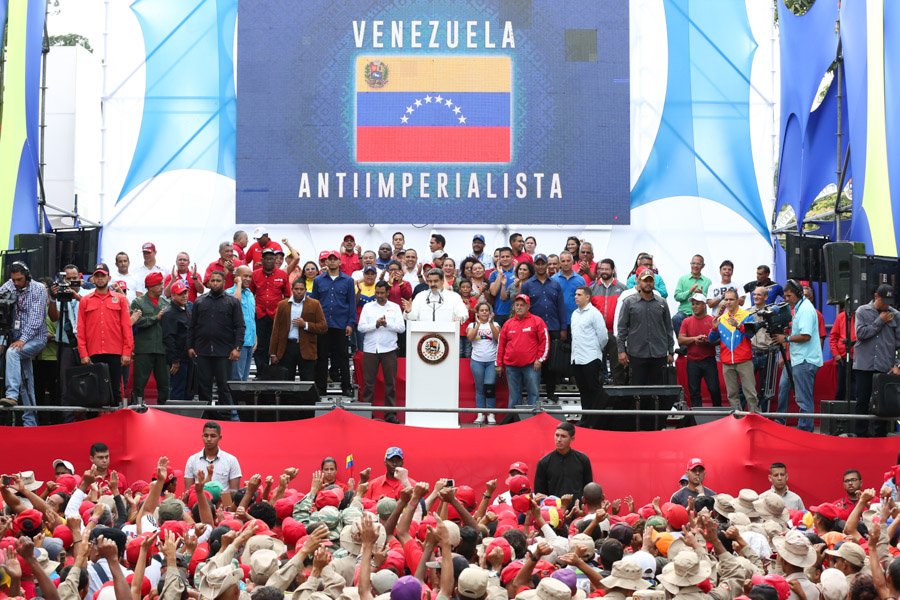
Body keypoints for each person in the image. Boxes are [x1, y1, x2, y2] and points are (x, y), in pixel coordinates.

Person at [75, 263, 134, 408]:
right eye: (97, 276)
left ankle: (115, 426)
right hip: (93, 352)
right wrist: (83, 353)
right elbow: (80, 328)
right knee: (94, 392)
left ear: (109, 277)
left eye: (103, 275)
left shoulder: (120, 299)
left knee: (115, 390)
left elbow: (126, 327)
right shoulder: (85, 300)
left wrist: (127, 351)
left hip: (115, 352)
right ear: (93, 279)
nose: (100, 279)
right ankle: (95, 427)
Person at [188, 271, 244, 421]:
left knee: (224, 387)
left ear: (224, 282)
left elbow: (240, 326)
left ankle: (226, 417)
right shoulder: (200, 301)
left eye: (218, 280)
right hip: (203, 351)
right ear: (208, 283)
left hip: (224, 352)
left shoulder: (232, 302)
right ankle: (205, 417)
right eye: (212, 280)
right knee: (203, 387)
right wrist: (190, 346)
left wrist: (237, 348)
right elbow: (192, 326)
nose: (215, 283)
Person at [0, 262, 49, 426]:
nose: (16, 283)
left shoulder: (39, 289)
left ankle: (11, 395)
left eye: (19, 279)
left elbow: (36, 320)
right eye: (13, 280)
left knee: (12, 353)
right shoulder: (9, 286)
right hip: (16, 338)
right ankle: (30, 422)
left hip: (35, 338)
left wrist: (22, 340)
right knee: (27, 381)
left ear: (27, 276)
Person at [772, 280, 823, 432]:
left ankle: (805, 430)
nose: (786, 299)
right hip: (797, 359)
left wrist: (785, 339)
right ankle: (797, 426)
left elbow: (806, 336)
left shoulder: (806, 310)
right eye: (785, 296)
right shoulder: (800, 308)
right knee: (793, 393)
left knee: (803, 398)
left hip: (804, 360)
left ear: (798, 294)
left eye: (789, 296)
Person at [853, 284, 900, 437]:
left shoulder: (896, 315)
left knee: (884, 403)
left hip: (885, 366)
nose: (887, 304)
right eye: (884, 300)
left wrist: (897, 364)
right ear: (876, 297)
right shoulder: (862, 311)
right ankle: (861, 435)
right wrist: (880, 321)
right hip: (864, 365)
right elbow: (861, 334)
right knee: (862, 401)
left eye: (889, 301)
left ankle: (880, 436)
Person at [358, 281, 405, 423]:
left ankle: (390, 414)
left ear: (388, 292)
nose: (379, 296)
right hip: (371, 348)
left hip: (389, 348)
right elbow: (360, 327)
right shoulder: (367, 307)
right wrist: (375, 324)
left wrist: (387, 324)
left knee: (390, 383)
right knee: (368, 383)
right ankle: (367, 414)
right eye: (377, 293)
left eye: (382, 293)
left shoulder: (395, 307)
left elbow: (401, 328)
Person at [617, 267, 674, 385]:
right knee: (637, 388)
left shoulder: (662, 302)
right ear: (638, 281)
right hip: (637, 352)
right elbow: (622, 328)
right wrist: (621, 351)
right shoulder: (629, 302)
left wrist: (671, 351)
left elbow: (668, 327)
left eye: (650, 280)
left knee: (658, 388)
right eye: (645, 280)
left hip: (659, 352)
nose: (648, 283)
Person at [523, 254, 567, 402]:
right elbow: (523, 308)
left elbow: (561, 307)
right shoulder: (527, 285)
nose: (541, 266)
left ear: (547, 265)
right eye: (538, 264)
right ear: (534, 265)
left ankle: (550, 392)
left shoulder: (555, 284)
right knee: (535, 361)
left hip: (553, 327)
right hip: (534, 330)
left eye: (543, 264)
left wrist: (563, 328)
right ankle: (534, 394)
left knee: (552, 363)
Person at [312, 249, 356, 397]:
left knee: (343, 358)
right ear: (326, 262)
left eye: (334, 259)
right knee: (322, 358)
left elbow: (351, 303)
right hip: (323, 325)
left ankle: (346, 387)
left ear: (339, 261)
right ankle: (321, 389)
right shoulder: (318, 280)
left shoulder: (348, 281)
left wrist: (350, 323)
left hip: (341, 325)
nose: (331, 261)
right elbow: (314, 303)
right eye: (329, 259)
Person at [708, 288, 758, 412]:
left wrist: (738, 326)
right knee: (732, 395)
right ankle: (737, 420)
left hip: (744, 360)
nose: (728, 302)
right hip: (727, 362)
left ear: (737, 301)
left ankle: (755, 419)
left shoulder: (747, 316)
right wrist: (714, 329)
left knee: (750, 394)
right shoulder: (721, 318)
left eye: (731, 299)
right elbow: (711, 340)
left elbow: (751, 335)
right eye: (726, 299)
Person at [269, 279, 328, 383]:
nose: (299, 291)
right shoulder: (282, 305)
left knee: (307, 381)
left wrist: (305, 324)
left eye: (301, 289)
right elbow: (276, 329)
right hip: (287, 347)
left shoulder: (314, 304)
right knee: (286, 382)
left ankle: (306, 400)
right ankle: (288, 400)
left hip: (306, 347)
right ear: (292, 290)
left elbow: (323, 327)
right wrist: (273, 353)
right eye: (296, 289)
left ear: (306, 290)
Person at [496, 294, 549, 408]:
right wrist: (499, 364)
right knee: (514, 396)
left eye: (522, 305)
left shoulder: (537, 321)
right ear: (514, 307)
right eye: (517, 305)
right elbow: (501, 345)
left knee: (533, 394)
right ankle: (514, 422)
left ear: (528, 306)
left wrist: (540, 359)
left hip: (531, 365)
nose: (519, 307)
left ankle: (534, 422)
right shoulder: (508, 324)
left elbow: (545, 341)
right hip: (511, 366)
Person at [570, 286, 609, 429]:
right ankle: (585, 418)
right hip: (577, 358)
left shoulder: (594, 313)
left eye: (579, 294)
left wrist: (596, 350)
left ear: (587, 297)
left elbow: (603, 336)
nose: (576, 296)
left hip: (591, 358)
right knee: (583, 391)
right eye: (575, 294)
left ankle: (595, 420)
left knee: (594, 390)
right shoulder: (574, 314)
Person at [130, 272, 170, 405]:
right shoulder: (138, 302)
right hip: (144, 348)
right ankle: (137, 408)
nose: (161, 286)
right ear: (150, 286)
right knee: (139, 383)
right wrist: (155, 318)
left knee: (164, 383)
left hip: (162, 348)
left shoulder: (166, 302)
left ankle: (163, 409)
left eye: (161, 283)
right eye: (158, 284)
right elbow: (135, 321)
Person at [677, 293, 721, 408]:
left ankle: (718, 414)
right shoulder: (686, 321)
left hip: (709, 360)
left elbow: (719, 340)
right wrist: (694, 339)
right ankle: (697, 418)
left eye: (697, 304)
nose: (694, 306)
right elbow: (680, 340)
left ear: (704, 305)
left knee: (714, 389)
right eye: (693, 304)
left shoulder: (712, 320)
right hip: (692, 361)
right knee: (694, 391)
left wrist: (707, 341)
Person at [251, 248, 291, 375]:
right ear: (262, 260)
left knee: (275, 344)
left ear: (276, 260)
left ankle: (275, 372)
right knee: (260, 345)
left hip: (276, 315)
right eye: (266, 258)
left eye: (272, 258)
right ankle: (261, 371)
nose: (269, 261)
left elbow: (288, 295)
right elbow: (251, 294)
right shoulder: (255, 275)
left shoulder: (283, 275)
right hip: (260, 314)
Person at [533, 422, 592, 503]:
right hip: (553, 512)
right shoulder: (544, 462)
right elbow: (539, 494)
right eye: (557, 435)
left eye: (563, 436)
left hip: (577, 511)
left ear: (572, 439)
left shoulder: (583, 460)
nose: (559, 439)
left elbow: (588, 489)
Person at [183, 421, 242, 491]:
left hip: (223, 501)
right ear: (202, 436)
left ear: (220, 437)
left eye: (213, 436)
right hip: (198, 501)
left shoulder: (231, 460)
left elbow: (234, 492)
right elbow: (188, 491)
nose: (209, 439)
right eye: (206, 435)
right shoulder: (192, 460)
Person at [467, 301, 500, 425]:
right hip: (477, 361)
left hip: (492, 361)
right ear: (478, 313)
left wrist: (490, 323)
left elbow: (498, 338)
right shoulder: (472, 324)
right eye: (482, 310)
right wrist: (478, 325)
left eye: (486, 310)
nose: (484, 312)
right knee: (480, 388)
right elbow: (470, 338)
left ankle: (491, 414)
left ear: (490, 312)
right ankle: (480, 414)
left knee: (490, 387)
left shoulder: (495, 324)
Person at [161, 280, 193, 400]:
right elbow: (168, 339)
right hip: (179, 359)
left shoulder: (189, 309)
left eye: (185, 292)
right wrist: (174, 360)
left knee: (189, 389)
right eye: (180, 294)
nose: (184, 296)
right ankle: (176, 416)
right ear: (173, 295)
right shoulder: (169, 313)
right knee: (178, 389)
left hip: (189, 357)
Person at [749, 286, 778, 412]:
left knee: (766, 388)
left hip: (768, 354)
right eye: (754, 294)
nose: (756, 297)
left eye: (759, 295)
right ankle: (743, 415)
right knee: (746, 386)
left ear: (766, 297)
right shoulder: (748, 312)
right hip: (752, 353)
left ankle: (764, 415)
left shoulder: (773, 312)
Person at [402, 269, 469, 323]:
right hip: (424, 337)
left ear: (442, 281)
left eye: (436, 281)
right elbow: (412, 317)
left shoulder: (454, 297)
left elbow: (463, 313)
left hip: (447, 336)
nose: (432, 284)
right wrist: (409, 311)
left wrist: (460, 317)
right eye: (430, 281)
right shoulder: (420, 296)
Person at [226, 265, 256, 381]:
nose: (248, 279)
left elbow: (251, 317)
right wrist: (238, 284)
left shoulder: (250, 294)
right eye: (245, 276)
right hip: (238, 342)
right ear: (237, 277)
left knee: (244, 378)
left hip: (250, 341)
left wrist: (255, 337)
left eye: (250, 276)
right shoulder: (229, 292)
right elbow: (235, 304)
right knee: (236, 378)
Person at [672, 255, 711, 337]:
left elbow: (710, 301)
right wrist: (689, 291)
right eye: (693, 263)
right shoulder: (683, 279)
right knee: (676, 319)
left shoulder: (708, 281)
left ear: (703, 266)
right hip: (684, 312)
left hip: (701, 314)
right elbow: (676, 296)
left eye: (698, 264)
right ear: (690, 264)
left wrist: (702, 294)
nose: (695, 266)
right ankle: (684, 348)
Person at [488, 247, 516, 325]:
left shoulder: (518, 271)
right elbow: (493, 292)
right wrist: (500, 274)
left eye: (507, 256)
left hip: (515, 312)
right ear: (499, 259)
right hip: (499, 312)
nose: (505, 259)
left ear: (512, 258)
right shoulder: (494, 274)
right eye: (502, 257)